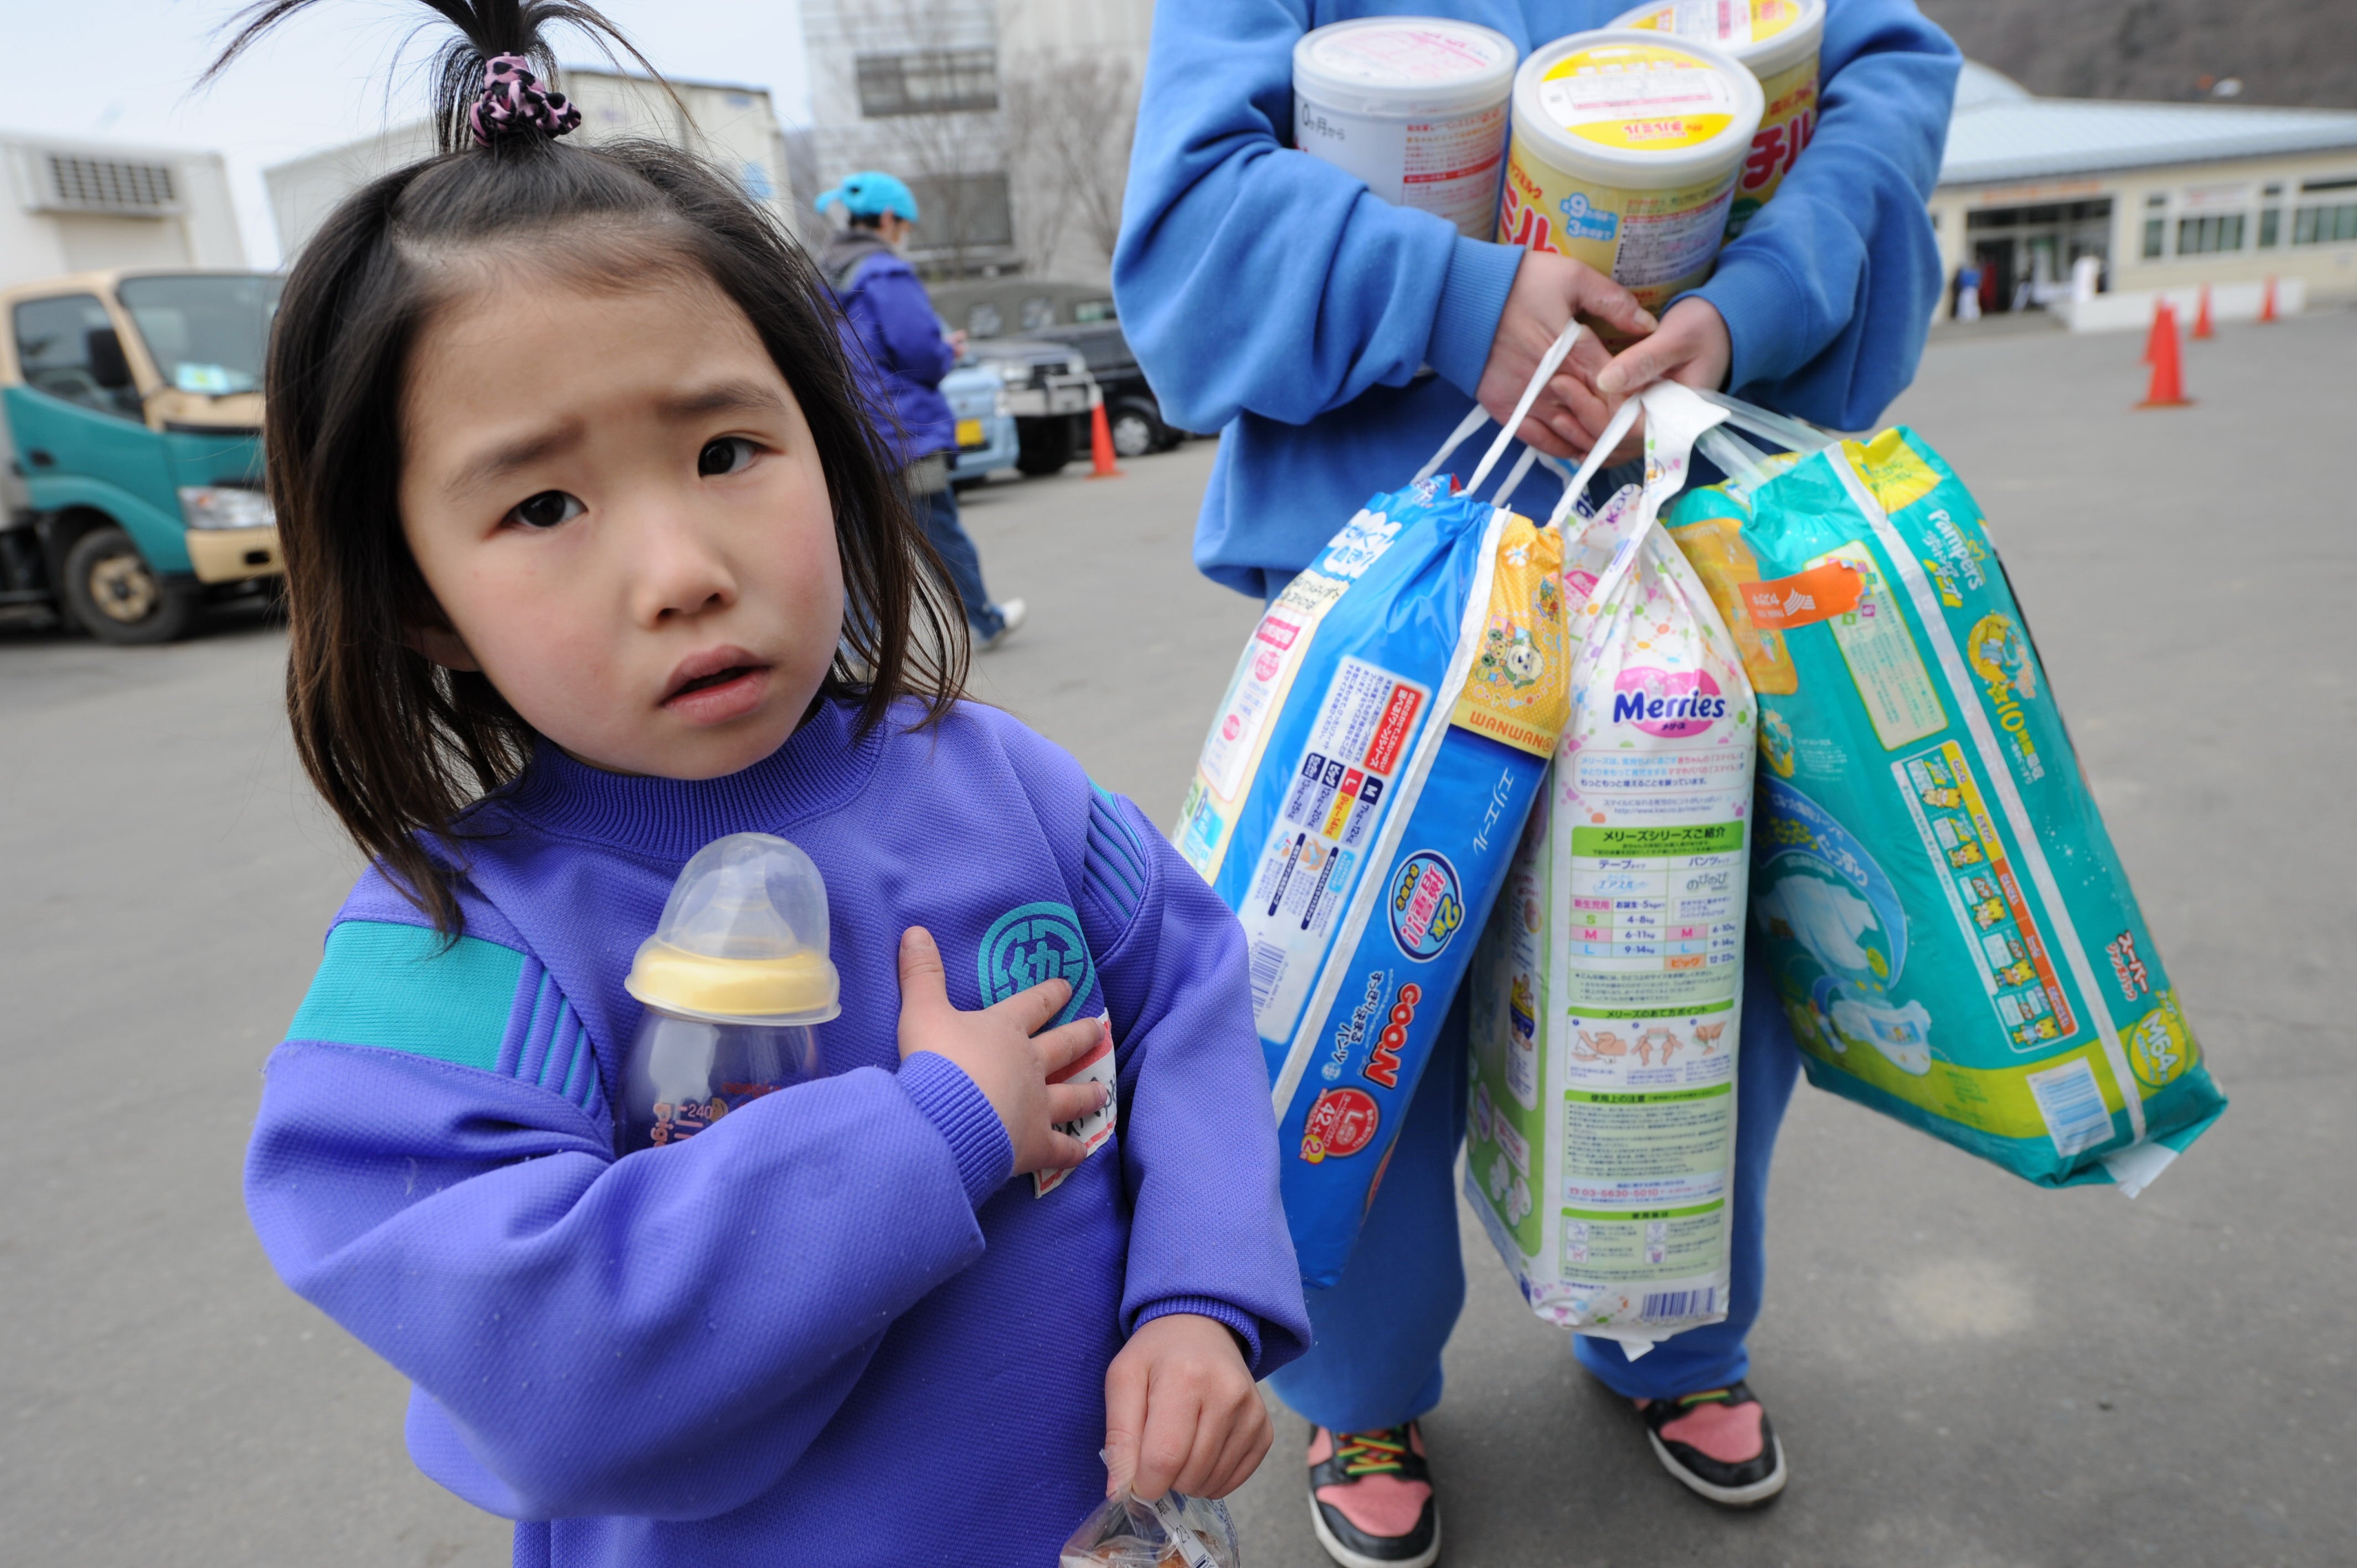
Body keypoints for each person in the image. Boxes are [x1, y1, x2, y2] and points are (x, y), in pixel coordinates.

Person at [213, 4, 1308, 1562]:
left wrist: (1200, 1297)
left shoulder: (1002, 784)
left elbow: (1190, 998)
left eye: (728, 453)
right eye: (542, 504)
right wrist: (939, 1133)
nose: (680, 571)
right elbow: (542, 1365)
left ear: (834, 444)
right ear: (418, 600)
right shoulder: (458, 939)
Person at [1115, 4, 1959, 1564]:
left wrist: (1758, 303)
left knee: (1684, 973)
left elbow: (1885, 81)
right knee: (1364, 989)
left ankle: (1668, 1338)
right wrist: (1456, 297)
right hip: (1397, 574)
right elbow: (1188, 210)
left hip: (1688, 543)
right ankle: (1357, 1387)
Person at [817, 171, 1026, 650]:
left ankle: (853, 651)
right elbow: (918, 352)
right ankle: (984, 620)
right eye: (906, 227)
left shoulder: (827, 275)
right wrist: (944, 351)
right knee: (940, 531)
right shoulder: (884, 272)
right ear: (889, 219)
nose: (904, 237)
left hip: (854, 435)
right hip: (905, 435)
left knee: (865, 544)